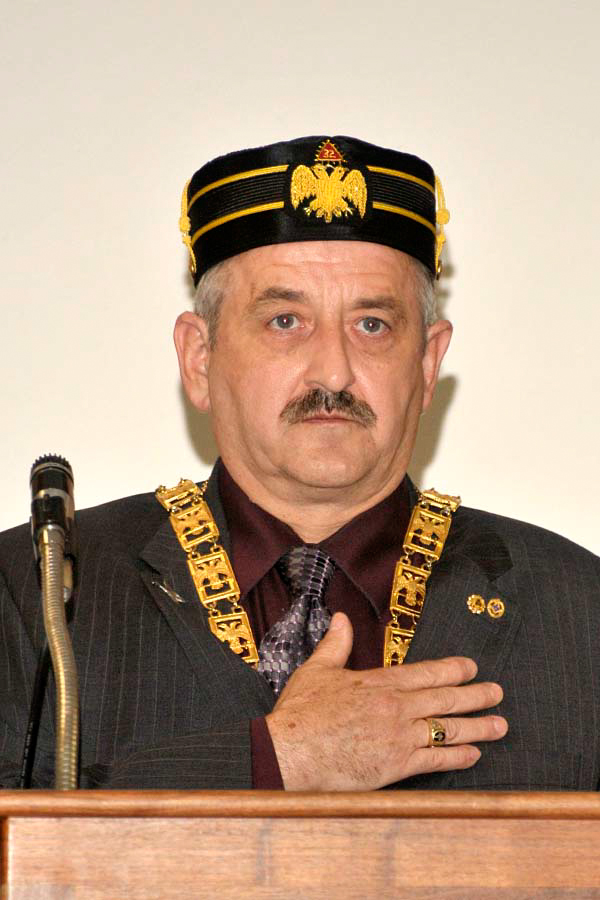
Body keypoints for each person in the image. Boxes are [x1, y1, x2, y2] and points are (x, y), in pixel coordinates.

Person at [1, 135, 598, 792]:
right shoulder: (34, 592)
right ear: (200, 359)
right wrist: (274, 760)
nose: (333, 372)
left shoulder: (578, 609)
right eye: (285, 321)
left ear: (428, 364)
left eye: (372, 325)